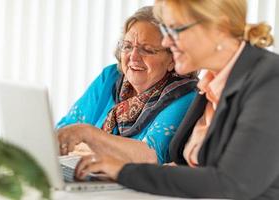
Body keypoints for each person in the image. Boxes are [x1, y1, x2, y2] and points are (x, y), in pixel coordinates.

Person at [74, 0, 279, 199]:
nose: (166, 42)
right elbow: (185, 166)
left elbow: (234, 183)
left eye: (176, 30)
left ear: (220, 28)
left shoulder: (270, 80)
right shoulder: (211, 84)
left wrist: (123, 171)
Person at [57, 6, 198, 164]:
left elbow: (150, 155)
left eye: (147, 50)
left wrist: (88, 137)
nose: (134, 57)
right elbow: (64, 132)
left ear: (173, 59)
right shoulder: (110, 77)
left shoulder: (186, 97)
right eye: (128, 46)